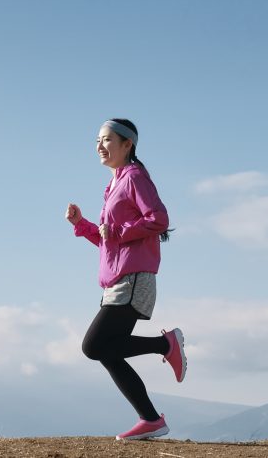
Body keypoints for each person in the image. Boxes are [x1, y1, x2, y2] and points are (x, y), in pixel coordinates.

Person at [65, 118, 186, 441]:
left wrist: (118, 231)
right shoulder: (115, 183)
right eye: (97, 141)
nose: (100, 146)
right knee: (106, 351)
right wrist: (83, 225)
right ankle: (150, 419)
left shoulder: (134, 177)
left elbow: (159, 219)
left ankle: (166, 343)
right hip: (117, 281)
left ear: (127, 144)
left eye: (106, 140)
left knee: (94, 346)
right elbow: (110, 241)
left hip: (133, 279)